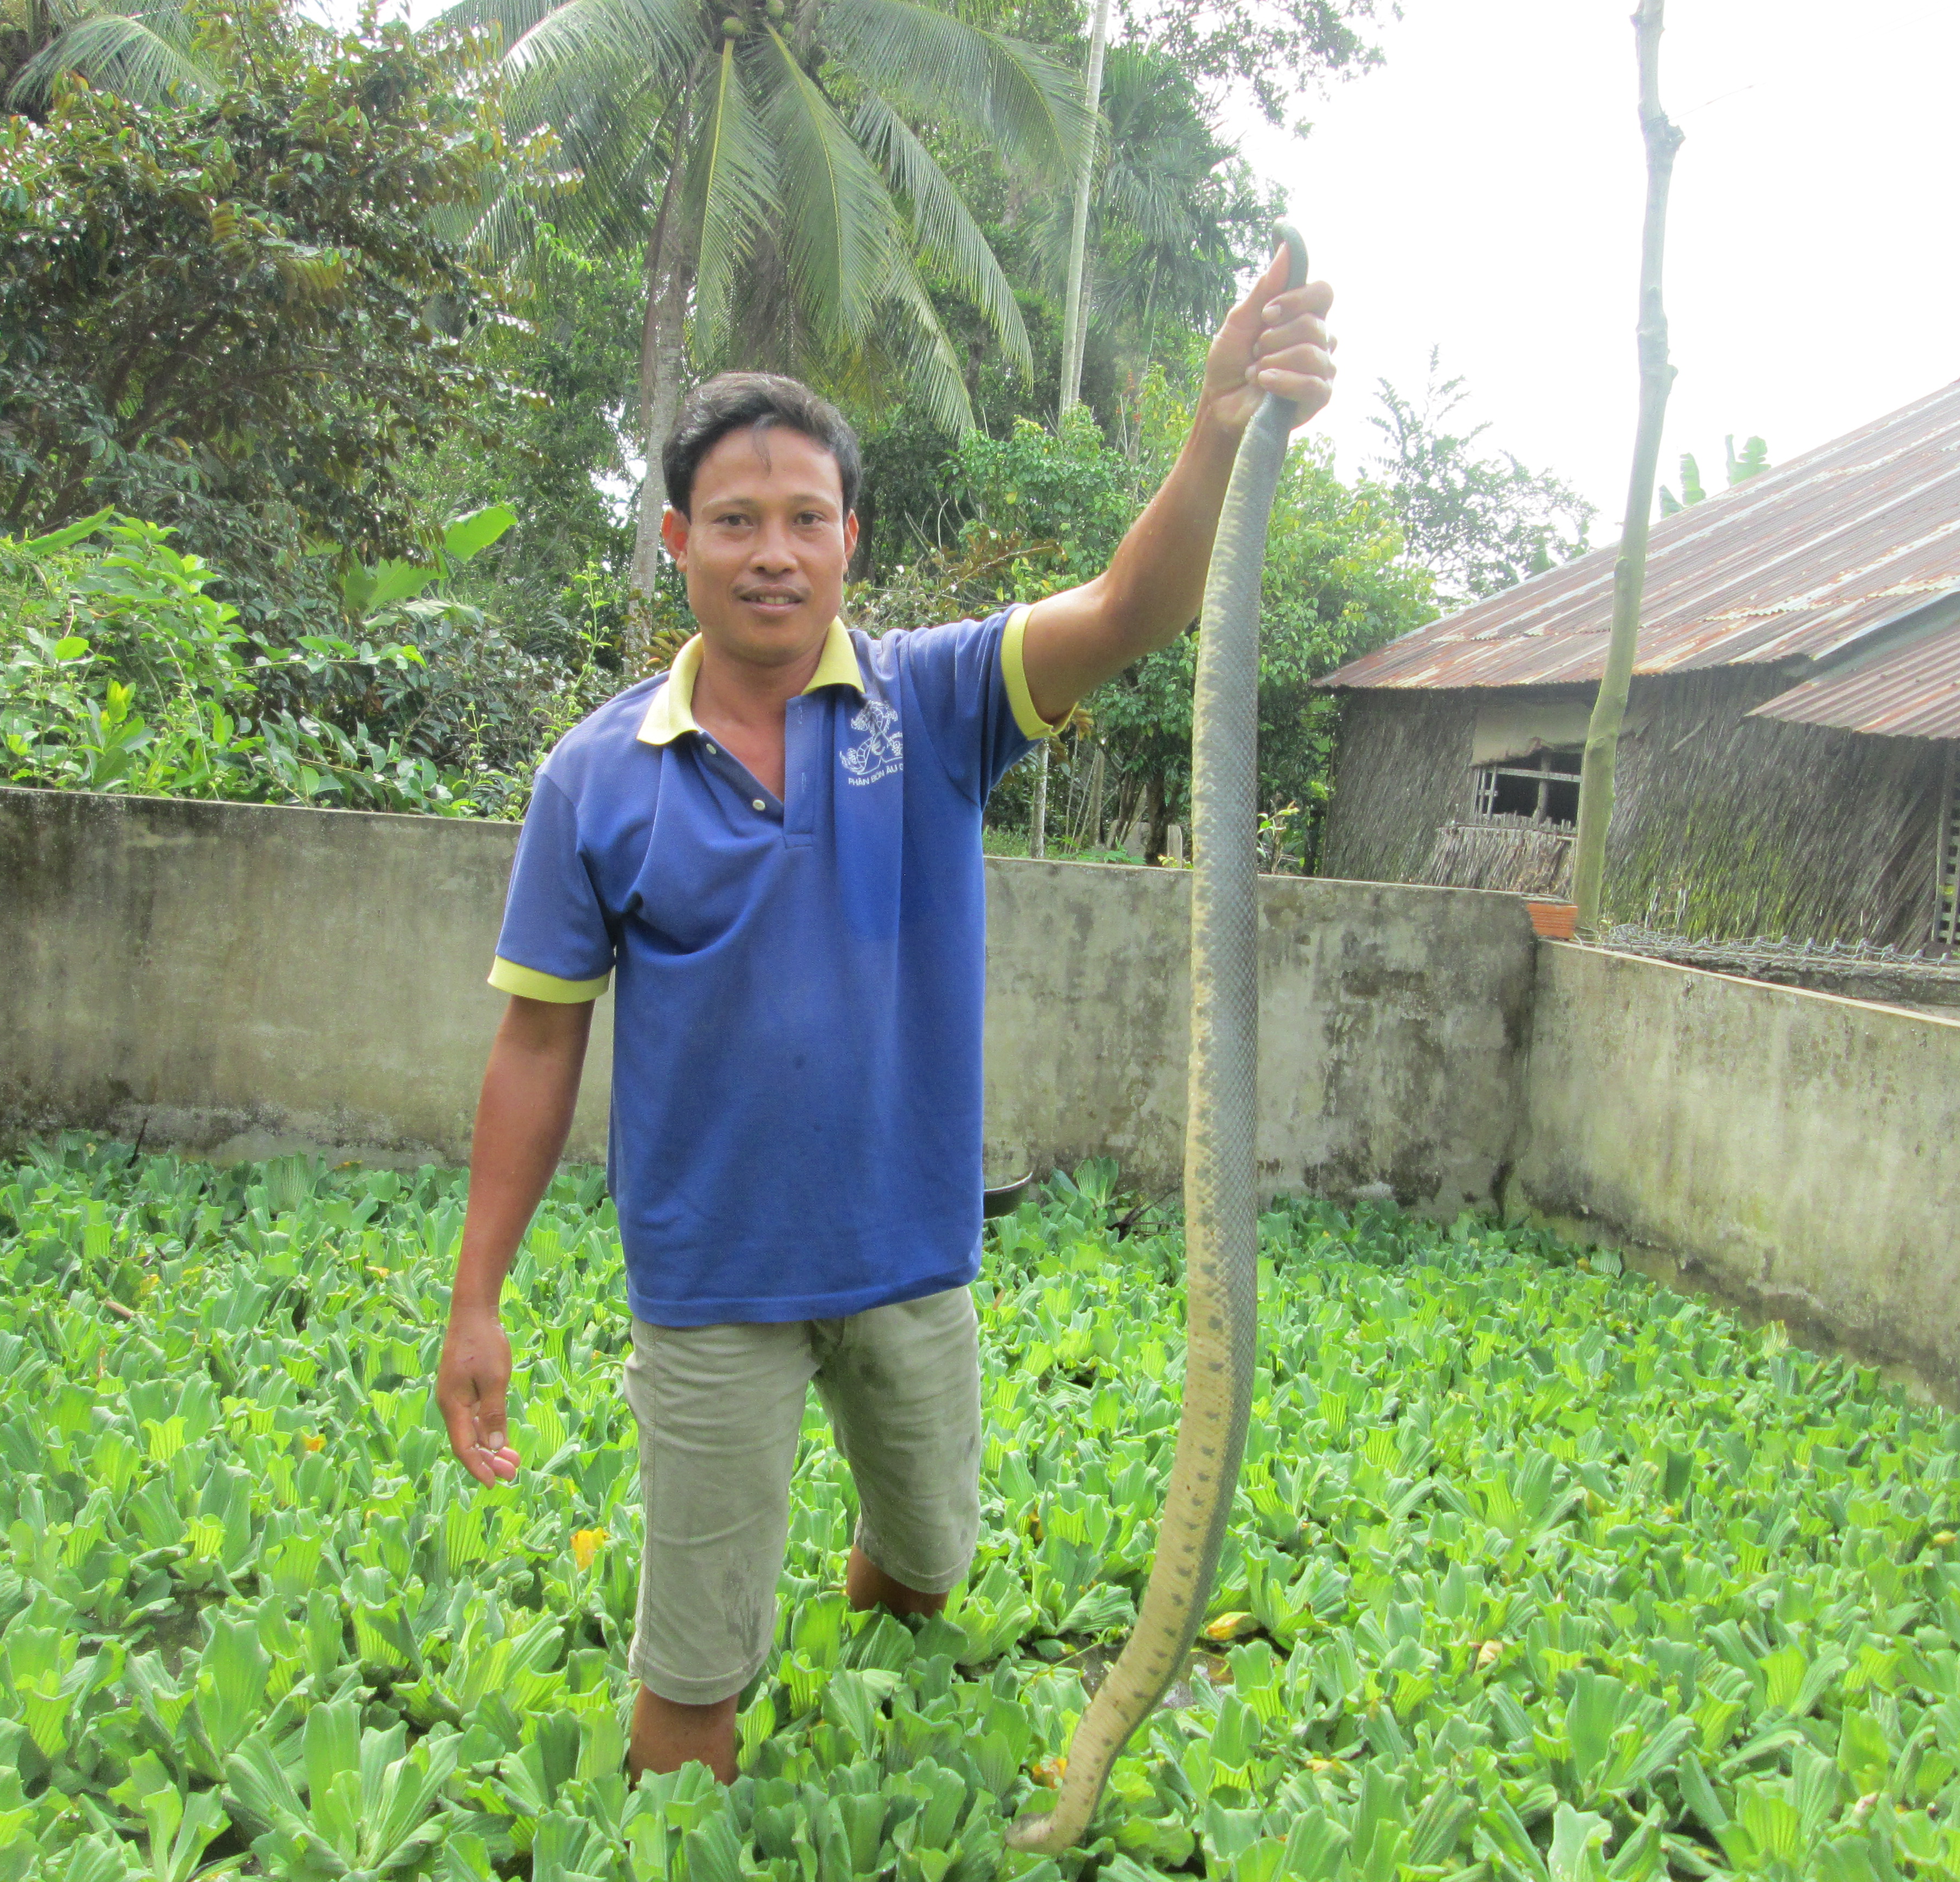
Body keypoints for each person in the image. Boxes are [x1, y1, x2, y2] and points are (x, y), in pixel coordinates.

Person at [434, 241, 1335, 1783]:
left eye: (804, 520)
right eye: (735, 521)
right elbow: (537, 1044)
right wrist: (477, 1299)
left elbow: (1133, 605)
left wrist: (1216, 428)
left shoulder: (935, 703)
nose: (771, 552)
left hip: (911, 1262)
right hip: (710, 1286)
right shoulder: (595, 777)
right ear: (676, 541)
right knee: (690, 1693)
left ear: (851, 537)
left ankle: (875, 1710)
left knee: (924, 1569)